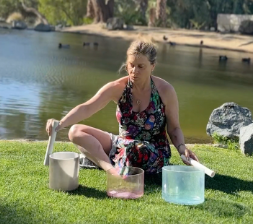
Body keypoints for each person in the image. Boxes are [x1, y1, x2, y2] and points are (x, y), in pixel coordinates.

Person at [46, 39, 199, 175]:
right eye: (131, 65)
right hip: (122, 145)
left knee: (136, 148)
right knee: (76, 131)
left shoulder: (165, 91)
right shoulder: (117, 88)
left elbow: (173, 128)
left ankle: (104, 160)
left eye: (141, 66)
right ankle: (111, 170)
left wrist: (181, 148)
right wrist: (60, 123)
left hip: (153, 151)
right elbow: (87, 107)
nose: (134, 71)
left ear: (152, 66)